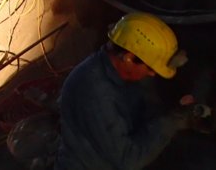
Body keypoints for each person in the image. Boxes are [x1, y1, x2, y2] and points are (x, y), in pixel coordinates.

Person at [55, 12, 196, 170]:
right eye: (150, 67)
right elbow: (128, 159)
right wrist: (173, 121)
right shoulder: (95, 92)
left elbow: (143, 112)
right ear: (128, 57)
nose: (152, 73)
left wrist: (174, 110)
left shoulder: (120, 74)